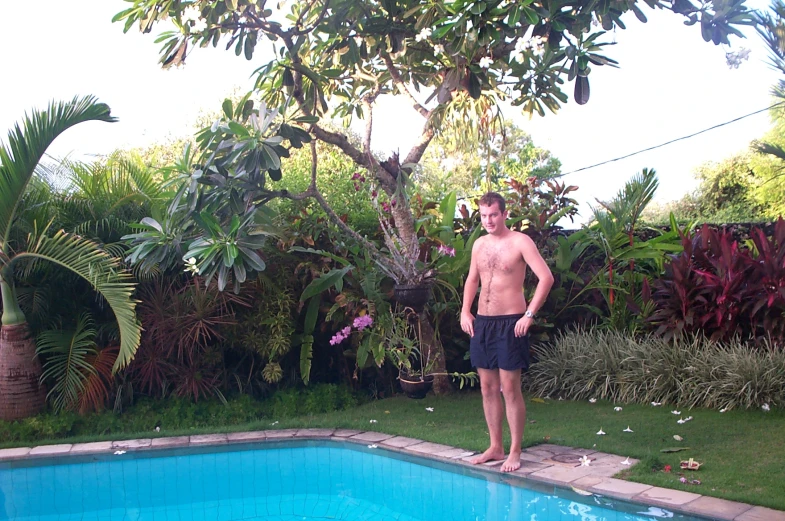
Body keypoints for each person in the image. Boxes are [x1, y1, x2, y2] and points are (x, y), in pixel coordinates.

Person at [460, 192, 554, 472]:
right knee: (488, 388)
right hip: (483, 324)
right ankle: (495, 446)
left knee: (510, 388)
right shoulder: (479, 245)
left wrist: (529, 314)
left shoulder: (520, 242)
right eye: (484, 215)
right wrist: (465, 310)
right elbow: (472, 279)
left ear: (504, 214)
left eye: (493, 215)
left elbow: (546, 277)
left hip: (511, 322)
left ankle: (514, 451)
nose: (488, 220)